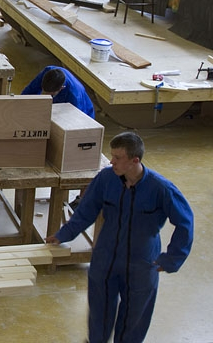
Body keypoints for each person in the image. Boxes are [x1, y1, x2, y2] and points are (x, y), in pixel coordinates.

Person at [46, 132, 193, 343]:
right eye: (112, 156)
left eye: (117, 158)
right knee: (99, 312)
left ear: (135, 160)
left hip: (141, 262)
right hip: (105, 258)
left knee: (134, 318)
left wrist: (171, 259)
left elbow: (185, 223)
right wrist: (63, 235)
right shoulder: (106, 179)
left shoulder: (161, 189)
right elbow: (86, 210)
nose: (111, 161)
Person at [21, 65, 95, 118]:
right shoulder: (48, 72)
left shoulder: (74, 96)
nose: (48, 96)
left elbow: (73, 121)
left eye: (51, 95)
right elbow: (30, 91)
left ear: (61, 88)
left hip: (84, 114)